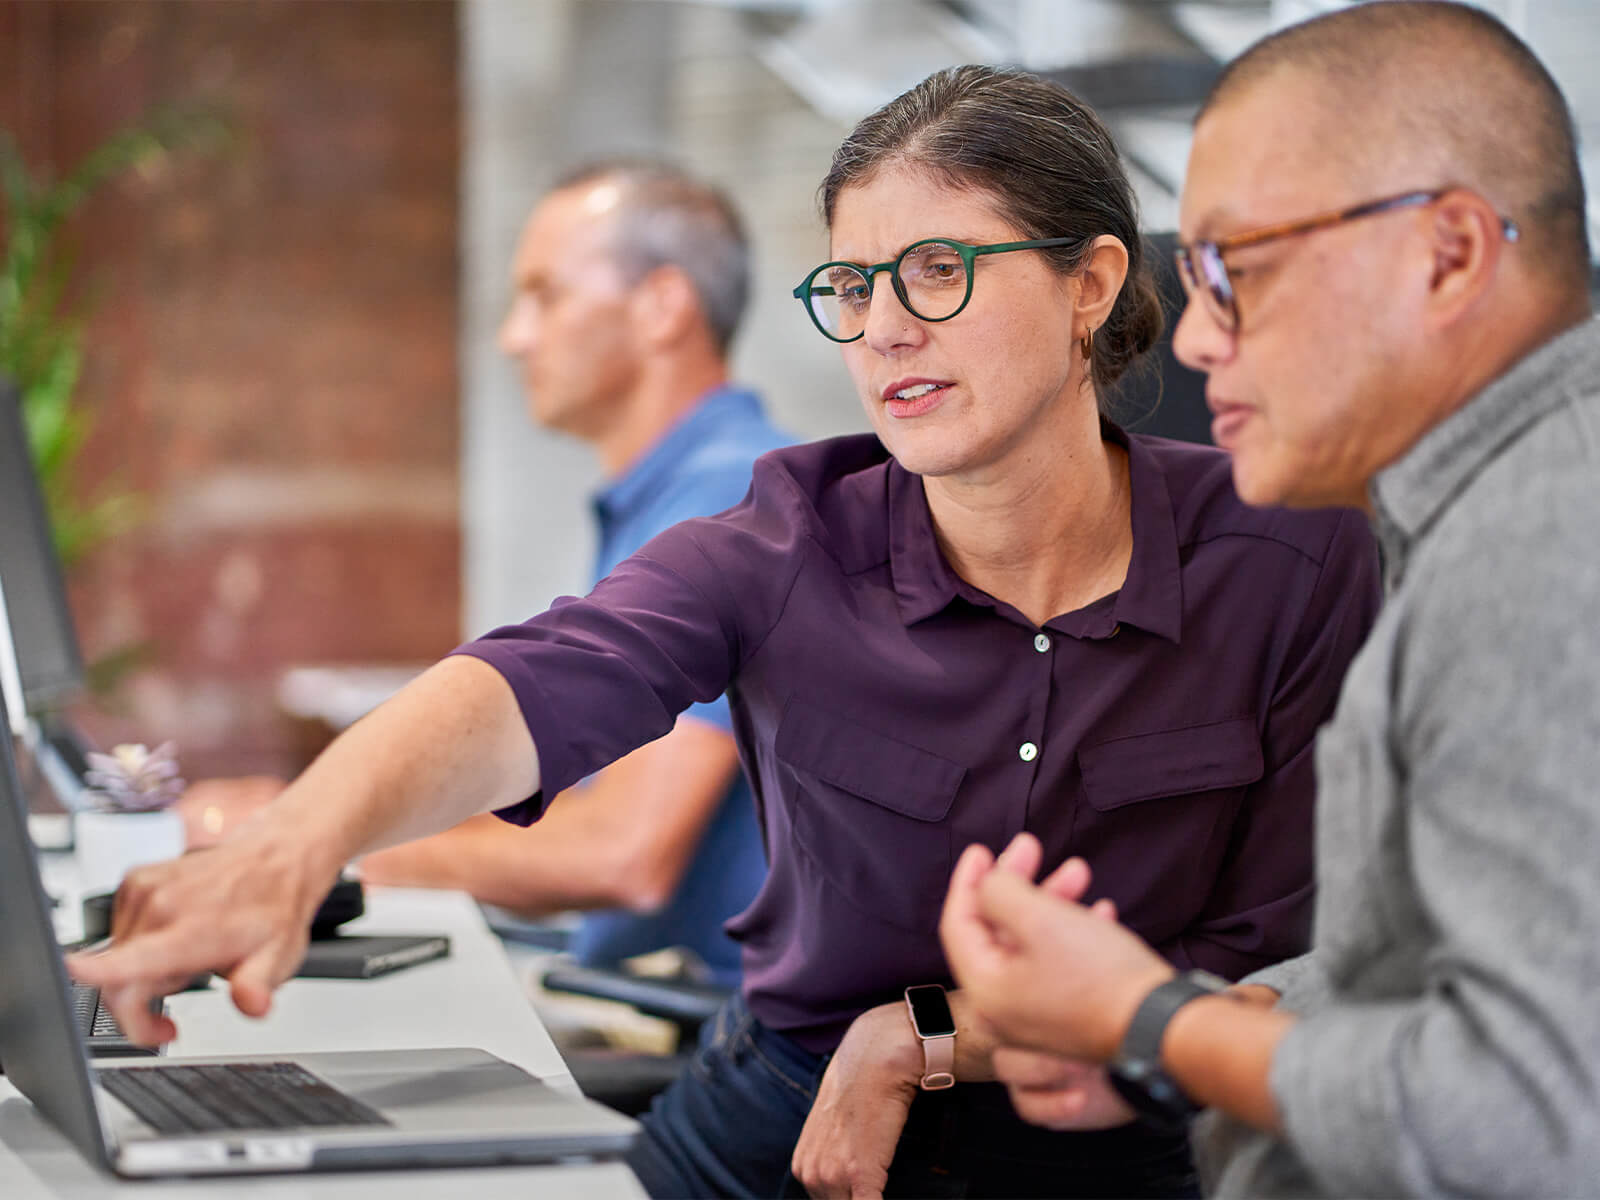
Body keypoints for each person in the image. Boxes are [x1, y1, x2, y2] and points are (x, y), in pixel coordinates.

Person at [70, 67, 1380, 1198]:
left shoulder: (1289, 556)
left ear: (1093, 281)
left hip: (1108, 1155)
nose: (886, 329)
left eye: (938, 271)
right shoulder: (790, 533)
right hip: (774, 1115)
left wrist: (931, 1037)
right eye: (855, 285)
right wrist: (300, 840)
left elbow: (1275, 962)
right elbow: (545, 679)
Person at [940, 4, 1600, 1197]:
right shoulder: (1494, 510)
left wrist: (1148, 1020)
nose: (1191, 341)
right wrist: (1194, 1036)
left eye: (1229, 270)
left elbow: (1530, 1117)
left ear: (1446, 254)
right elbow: (1433, 980)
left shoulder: (1541, 544)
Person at [179, 161, 786, 991]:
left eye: (546, 295)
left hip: (702, 1023)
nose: (515, 336)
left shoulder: (723, 496)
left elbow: (624, 852)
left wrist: (314, 842)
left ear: (663, 307)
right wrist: (317, 818)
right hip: (629, 982)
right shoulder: (680, 487)